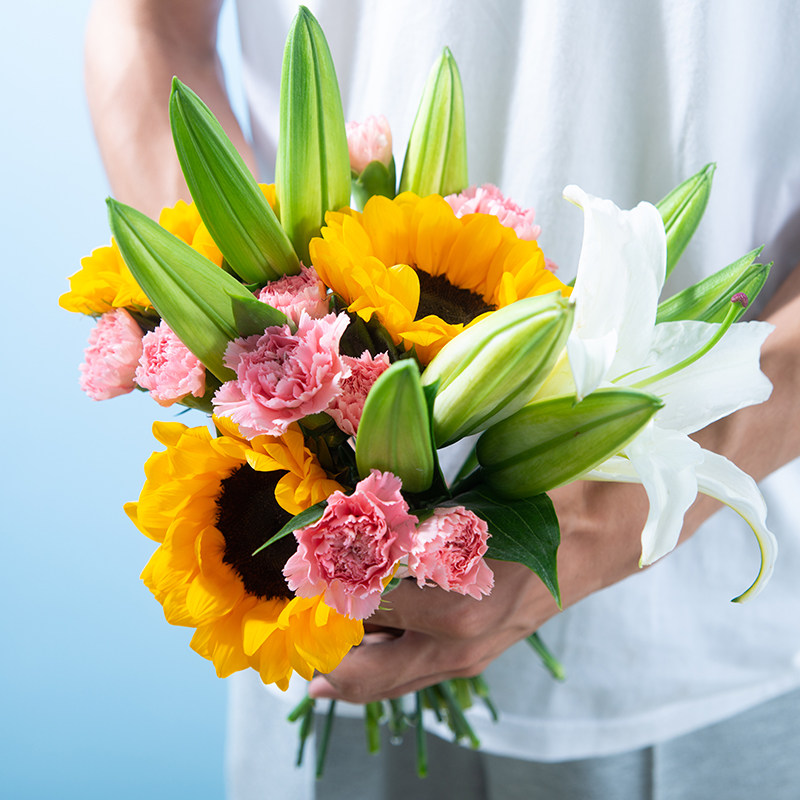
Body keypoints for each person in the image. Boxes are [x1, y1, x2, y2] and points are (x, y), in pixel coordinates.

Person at [85, 1, 800, 797]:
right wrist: (249, 329)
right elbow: (147, 23)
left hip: (685, 651)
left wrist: (617, 516)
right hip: (308, 611)